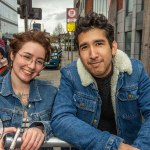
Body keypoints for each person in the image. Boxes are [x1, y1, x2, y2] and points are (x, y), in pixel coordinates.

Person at [51, 12, 150, 150]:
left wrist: (139, 147)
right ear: (79, 54)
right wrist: (116, 146)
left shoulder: (135, 71)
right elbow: (61, 119)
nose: (93, 55)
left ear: (113, 48)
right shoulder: (70, 75)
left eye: (99, 43)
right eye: (84, 47)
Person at [0, 31, 57, 150]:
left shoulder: (51, 92)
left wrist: (41, 128)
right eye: (27, 57)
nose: (32, 66)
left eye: (39, 61)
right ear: (12, 55)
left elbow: (62, 121)